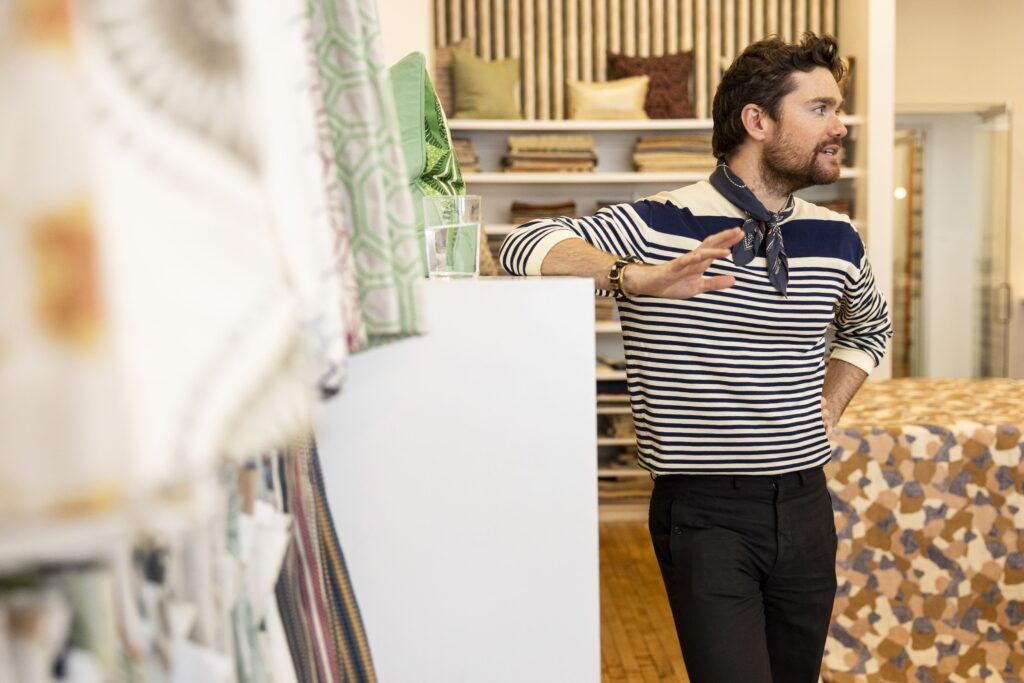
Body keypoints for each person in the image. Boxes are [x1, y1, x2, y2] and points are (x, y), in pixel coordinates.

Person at [499, 33, 893, 683]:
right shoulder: (659, 222)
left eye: (838, 108)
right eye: (821, 108)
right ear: (758, 121)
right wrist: (634, 276)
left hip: (805, 505)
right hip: (705, 513)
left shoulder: (837, 234)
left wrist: (830, 401)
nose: (841, 124)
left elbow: (868, 327)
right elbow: (522, 245)